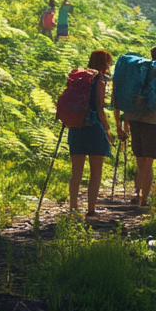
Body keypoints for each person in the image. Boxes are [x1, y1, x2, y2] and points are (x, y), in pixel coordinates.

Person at [114, 45, 156, 208]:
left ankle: (137, 193)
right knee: (148, 163)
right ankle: (145, 200)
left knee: (140, 161)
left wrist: (123, 120)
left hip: (134, 117)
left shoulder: (138, 67)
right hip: (153, 119)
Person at [68, 49, 115, 219]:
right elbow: (100, 108)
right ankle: (91, 209)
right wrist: (108, 129)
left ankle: (73, 208)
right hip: (94, 128)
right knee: (96, 172)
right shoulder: (99, 81)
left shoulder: (78, 78)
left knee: (76, 172)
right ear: (105, 63)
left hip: (76, 127)